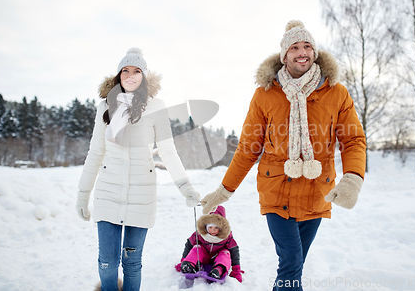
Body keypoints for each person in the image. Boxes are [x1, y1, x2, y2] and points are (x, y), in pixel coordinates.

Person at [201, 21, 366, 291]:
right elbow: (248, 148)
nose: (302, 52)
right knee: (290, 261)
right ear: (284, 56)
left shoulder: (336, 93)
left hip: (317, 191)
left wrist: (352, 179)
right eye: (295, 47)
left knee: (294, 265)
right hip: (277, 191)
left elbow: (353, 139)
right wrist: (223, 191)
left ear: (314, 52)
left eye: (307, 46)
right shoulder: (265, 94)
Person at [76, 47, 200, 291]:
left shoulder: (156, 107)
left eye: (136, 71)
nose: (130, 75)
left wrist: (185, 186)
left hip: (141, 195)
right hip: (108, 193)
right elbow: (95, 152)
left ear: (143, 76)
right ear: (118, 75)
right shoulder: (105, 107)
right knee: (107, 263)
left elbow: (168, 150)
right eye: (125, 70)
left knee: (132, 262)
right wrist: (83, 193)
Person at [175, 205, 243, 282]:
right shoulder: (200, 234)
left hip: (218, 258)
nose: (213, 231)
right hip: (203, 258)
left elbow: (234, 251)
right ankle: (189, 265)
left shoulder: (226, 236)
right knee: (197, 248)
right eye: (210, 228)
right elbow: (189, 245)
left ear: (221, 228)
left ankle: (218, 270)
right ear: (206, 227)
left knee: (225, 253)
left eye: (216, 228)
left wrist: (236, 269)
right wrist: (183, 260)